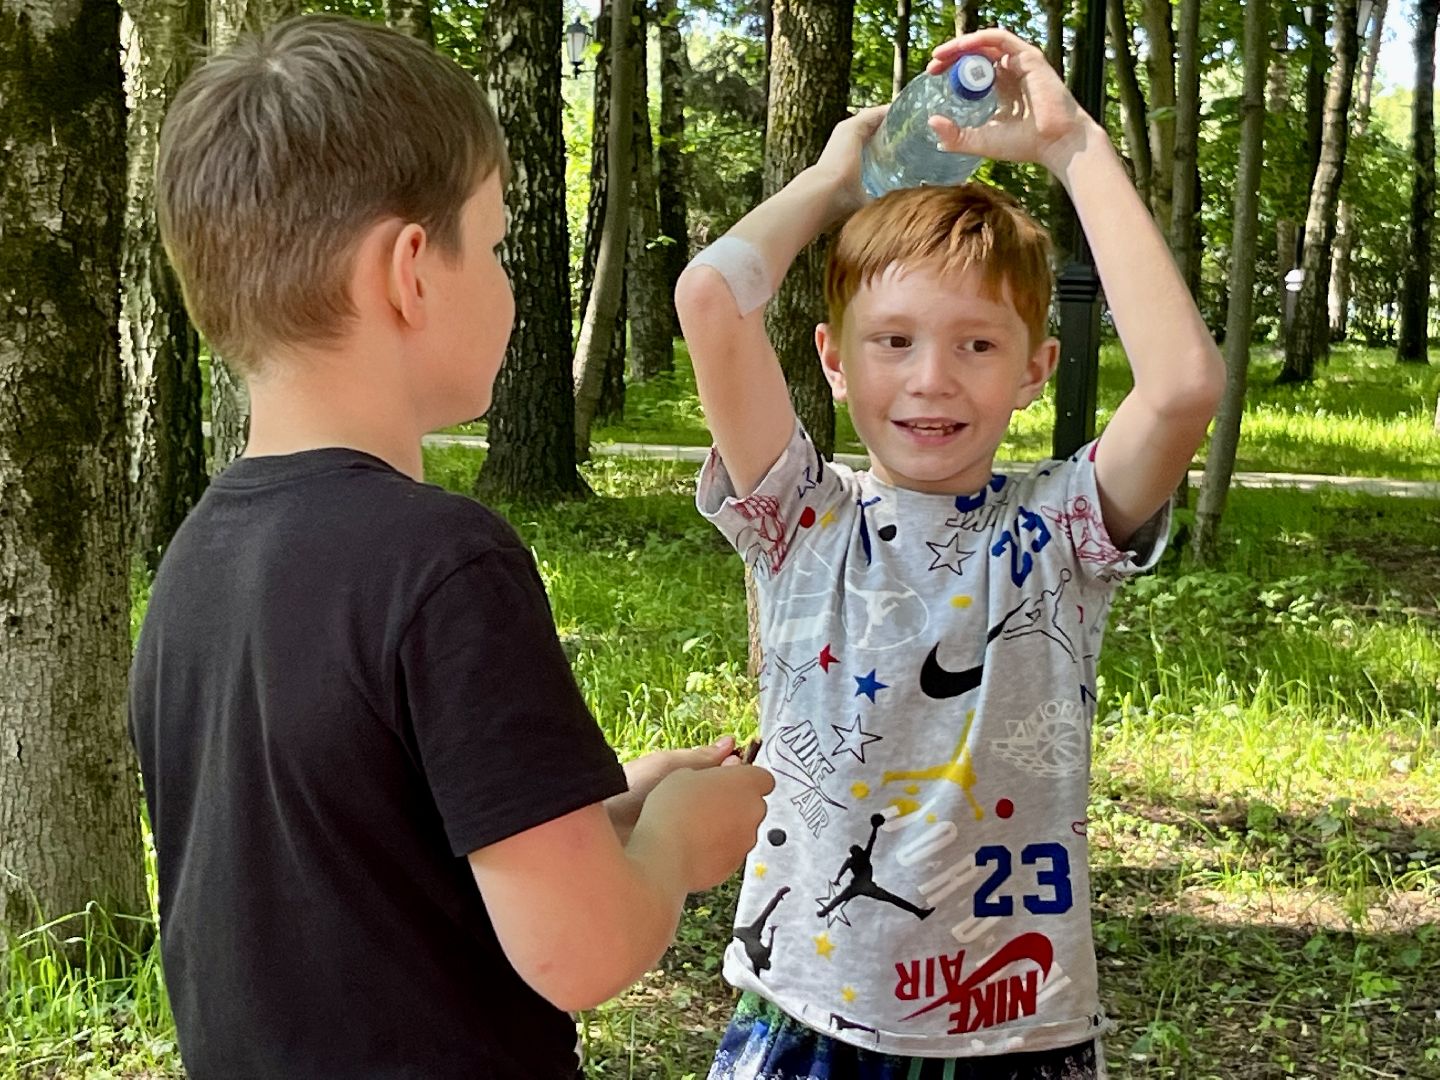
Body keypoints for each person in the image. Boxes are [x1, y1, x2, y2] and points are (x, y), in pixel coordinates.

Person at [128, 15, 773, 1079]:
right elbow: (581, 950)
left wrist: (603, 807)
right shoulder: (444, 564)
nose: (513, 283)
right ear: (411, 271)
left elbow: (352, 857)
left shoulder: (195, 564)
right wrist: (675, 842)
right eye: (501, 241)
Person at [674, 27, 1223, 1080]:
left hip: (1017, 1032)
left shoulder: (1062, 531)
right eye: (894, 341)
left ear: (1036, 368)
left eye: (977, 343)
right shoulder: (800, 517)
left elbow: (1184, 388)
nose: (932, 379)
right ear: (833, 359)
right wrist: (834, 185)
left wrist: (1072, 147)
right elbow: (710, 298)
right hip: (807, 1015)